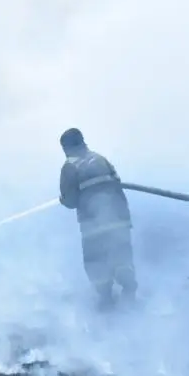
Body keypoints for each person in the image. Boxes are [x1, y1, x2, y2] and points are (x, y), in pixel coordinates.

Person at [58, 127, 137, 308]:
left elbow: (70, 201)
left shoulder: (70, 166)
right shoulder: (100, 159)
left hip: (94, 225)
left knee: (96, 261)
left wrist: (63, 200)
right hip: (119, 219)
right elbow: (117, 183)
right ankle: (130, 294)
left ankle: (106, 300)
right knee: (122, 255)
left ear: (66, 148)